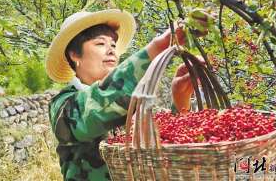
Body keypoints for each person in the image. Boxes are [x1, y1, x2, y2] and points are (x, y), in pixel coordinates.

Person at [46, 9, 209, 181]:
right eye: (100, 44)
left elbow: (166, 142)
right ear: (74, 55)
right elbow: (96, 110)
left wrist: (180, 99)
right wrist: (157, 48)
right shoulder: (63, 105)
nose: (111, 51)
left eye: (113, 45)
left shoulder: (133, 100)